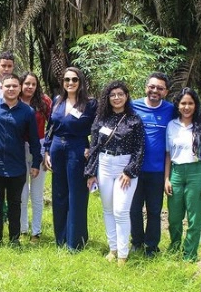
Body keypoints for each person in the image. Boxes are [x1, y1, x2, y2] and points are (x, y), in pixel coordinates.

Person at [85, 81, 144, 265]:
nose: (117, 98)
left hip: (124, 167)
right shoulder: (101, 119)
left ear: (126, 96)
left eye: (120, 94)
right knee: (108, 209)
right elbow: (94, 146)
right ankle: (113, 248)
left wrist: (129, 171)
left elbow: (139, 149)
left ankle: (123, 255)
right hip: (104, 164)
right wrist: (91, 173)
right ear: (108, 98)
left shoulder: (134, 120)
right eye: (113, 95)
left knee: (121, 210)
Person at [0, 73, 42, 245]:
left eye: (15, 86)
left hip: (17, 165)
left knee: (15, 203)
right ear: (2, 88)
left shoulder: (27, 111)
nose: (11, 89)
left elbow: (34, 140)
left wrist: (36, 162)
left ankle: (14, 239)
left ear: (19, 88)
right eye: (7, 86)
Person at [44, 67, 97, 250]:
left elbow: (97, 129)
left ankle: (75, 241)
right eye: (67, 80)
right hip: (57, 148)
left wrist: (91, 148)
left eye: (74, 79)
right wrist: (47, 150)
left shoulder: (90, 104)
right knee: (59, 194)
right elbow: (50, 127)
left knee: (77, 194)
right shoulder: (57, 101)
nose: (70, 83)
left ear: (80, 82)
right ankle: (61, 239)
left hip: (77, 148)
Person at [164, 87, 201, 261]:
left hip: (198, 172)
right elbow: (168, 154)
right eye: (183, 103)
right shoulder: (171, 125)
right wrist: (167, 178)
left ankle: (190, 254)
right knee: (174, 216)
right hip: (177, 173)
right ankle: (174, 247)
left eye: (190, 103)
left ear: (196, 105)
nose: (187, 107)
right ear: (177, 105)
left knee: (195, 217)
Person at [129, 73, 173, 257]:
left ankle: (152, 246)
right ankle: (137, 242)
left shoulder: (171, 109)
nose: (155, 91)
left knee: (154, 210)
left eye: (160, 88)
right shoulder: (132, 106)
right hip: (134, 169)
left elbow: (191, 118)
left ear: (166, 91)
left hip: (157, 171)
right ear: (146, 87)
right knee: (134, 208)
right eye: (152, 87)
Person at [18, 71, 51, 242]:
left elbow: (53, 125)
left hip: (39, 146)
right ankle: (22, 229)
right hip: (19, 148)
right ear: (21, 84)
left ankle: (36, 232)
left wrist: (47, 150)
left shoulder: (44, 101)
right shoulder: (14, 100)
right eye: (27, 84)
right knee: (22, 192)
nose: (30, 87)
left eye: (33, 84)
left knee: (37, 194)